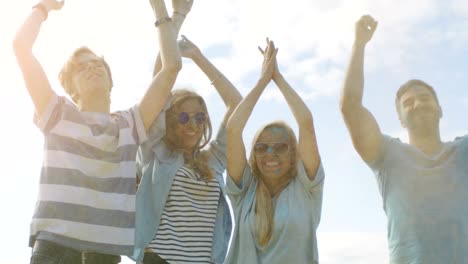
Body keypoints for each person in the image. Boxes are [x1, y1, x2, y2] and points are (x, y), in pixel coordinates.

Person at [13, 0, 181, 262]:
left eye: (97, 64)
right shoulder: (56, 112)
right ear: (71, 88)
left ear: (111, 81)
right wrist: (43, 8)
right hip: (54, 250)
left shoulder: (129, 125)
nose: (91, 67)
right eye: (81, 67)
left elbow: (171, 67)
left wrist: (159, 8)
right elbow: (21, 48)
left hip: (104, 255)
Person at [340, 15, 468, 263]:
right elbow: (350, 108)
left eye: (425, 98)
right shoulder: (386, 155)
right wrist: (359, 44)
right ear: (400, 119)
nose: (418, 104)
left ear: (440, 109)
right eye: (408, 103)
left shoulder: (463, 152)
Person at [132, 35, 242, 264]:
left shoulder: (214, 158)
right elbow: (158, 89)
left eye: (200, 118)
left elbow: (236, 103)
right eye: (184, 117)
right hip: (159, 258)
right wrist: (170, 36)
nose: (194, 125)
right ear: (170, 121)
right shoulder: (157, 151)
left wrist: (198, 57)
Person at [225, 39, 324, 264]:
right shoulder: (244, 192)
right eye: (262, 147)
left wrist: (277, 78)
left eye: (280, 147)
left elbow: (306, 121)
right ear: (254, 155)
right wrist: (262, 81)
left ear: (293, 156)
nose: (270, 153)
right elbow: (233, 128)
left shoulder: (307, 188)